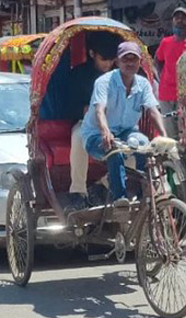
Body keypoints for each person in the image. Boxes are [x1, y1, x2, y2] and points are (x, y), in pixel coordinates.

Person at [81, 42, 168, 206]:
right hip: (96, 135)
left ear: (139, 62)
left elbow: (152, 110)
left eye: (133, 59)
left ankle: (145, 193)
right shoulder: (104, 82)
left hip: (127, 132)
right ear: (118, 62)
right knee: (115, 151)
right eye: (125, 59)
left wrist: (164, 135)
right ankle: (119, 199)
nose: (129, 63)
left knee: (145, 145)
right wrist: (105, 132)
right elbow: (100, 109)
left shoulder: (143, 84)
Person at [67, 33, 119, 211]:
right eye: (104, 59)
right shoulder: (78, 75)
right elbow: (69, 105)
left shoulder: (119, 77)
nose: (108, 64)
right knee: (79, 138)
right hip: (85, 124)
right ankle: (78, 192)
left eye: (112, 60)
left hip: (114, 126)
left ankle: (101, 186)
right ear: (92, 54)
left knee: (137, 151)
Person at [155, 6, 186, 136]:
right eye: (177, 18)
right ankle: (172, 156)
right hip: (166, 93)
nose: (179, 20)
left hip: (185, 94)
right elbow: (157, 60)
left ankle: (185, 156)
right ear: (172, 21)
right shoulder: (165, 42)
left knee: (185, 131)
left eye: (183, 18)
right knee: (169, 132)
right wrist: (161, 77)